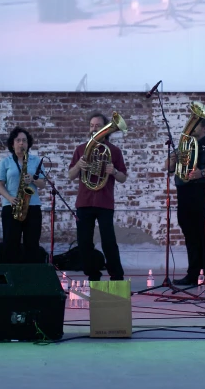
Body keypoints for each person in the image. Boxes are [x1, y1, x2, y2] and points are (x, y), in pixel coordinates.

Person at [165, 118, 205, 285]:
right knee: (190, 234)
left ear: (204, 128)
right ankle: (193, 274)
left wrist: (202, 173)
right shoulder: (184, 146)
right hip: (185, 192)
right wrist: (173, 160)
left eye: (195, 124)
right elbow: (169, 168)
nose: (190, 127)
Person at [68, 112, 128, 281]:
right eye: (92, 125)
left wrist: (114, 171)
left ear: (106, 129)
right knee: (84, 242)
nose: (94, 128)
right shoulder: (81, 149)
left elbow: (123, 178)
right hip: (84, 201)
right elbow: (70, 175)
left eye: (98, 126)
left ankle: (117, 276)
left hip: (105, 202)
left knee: (109, 241)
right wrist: (79, 165)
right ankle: (93, 275)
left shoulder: (114, 151)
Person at [0, 127, 46, 264]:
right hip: (12, 205)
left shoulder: (35, 161)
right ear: (12, 144)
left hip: (33, 206)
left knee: (32, 244)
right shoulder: (5, 162)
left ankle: (31, 278)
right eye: (18, 140)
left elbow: (43, 184)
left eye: (24, 140)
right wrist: (10, 198)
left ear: (28, 144)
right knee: (10, 244)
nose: (21, 143)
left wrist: (33, 179)